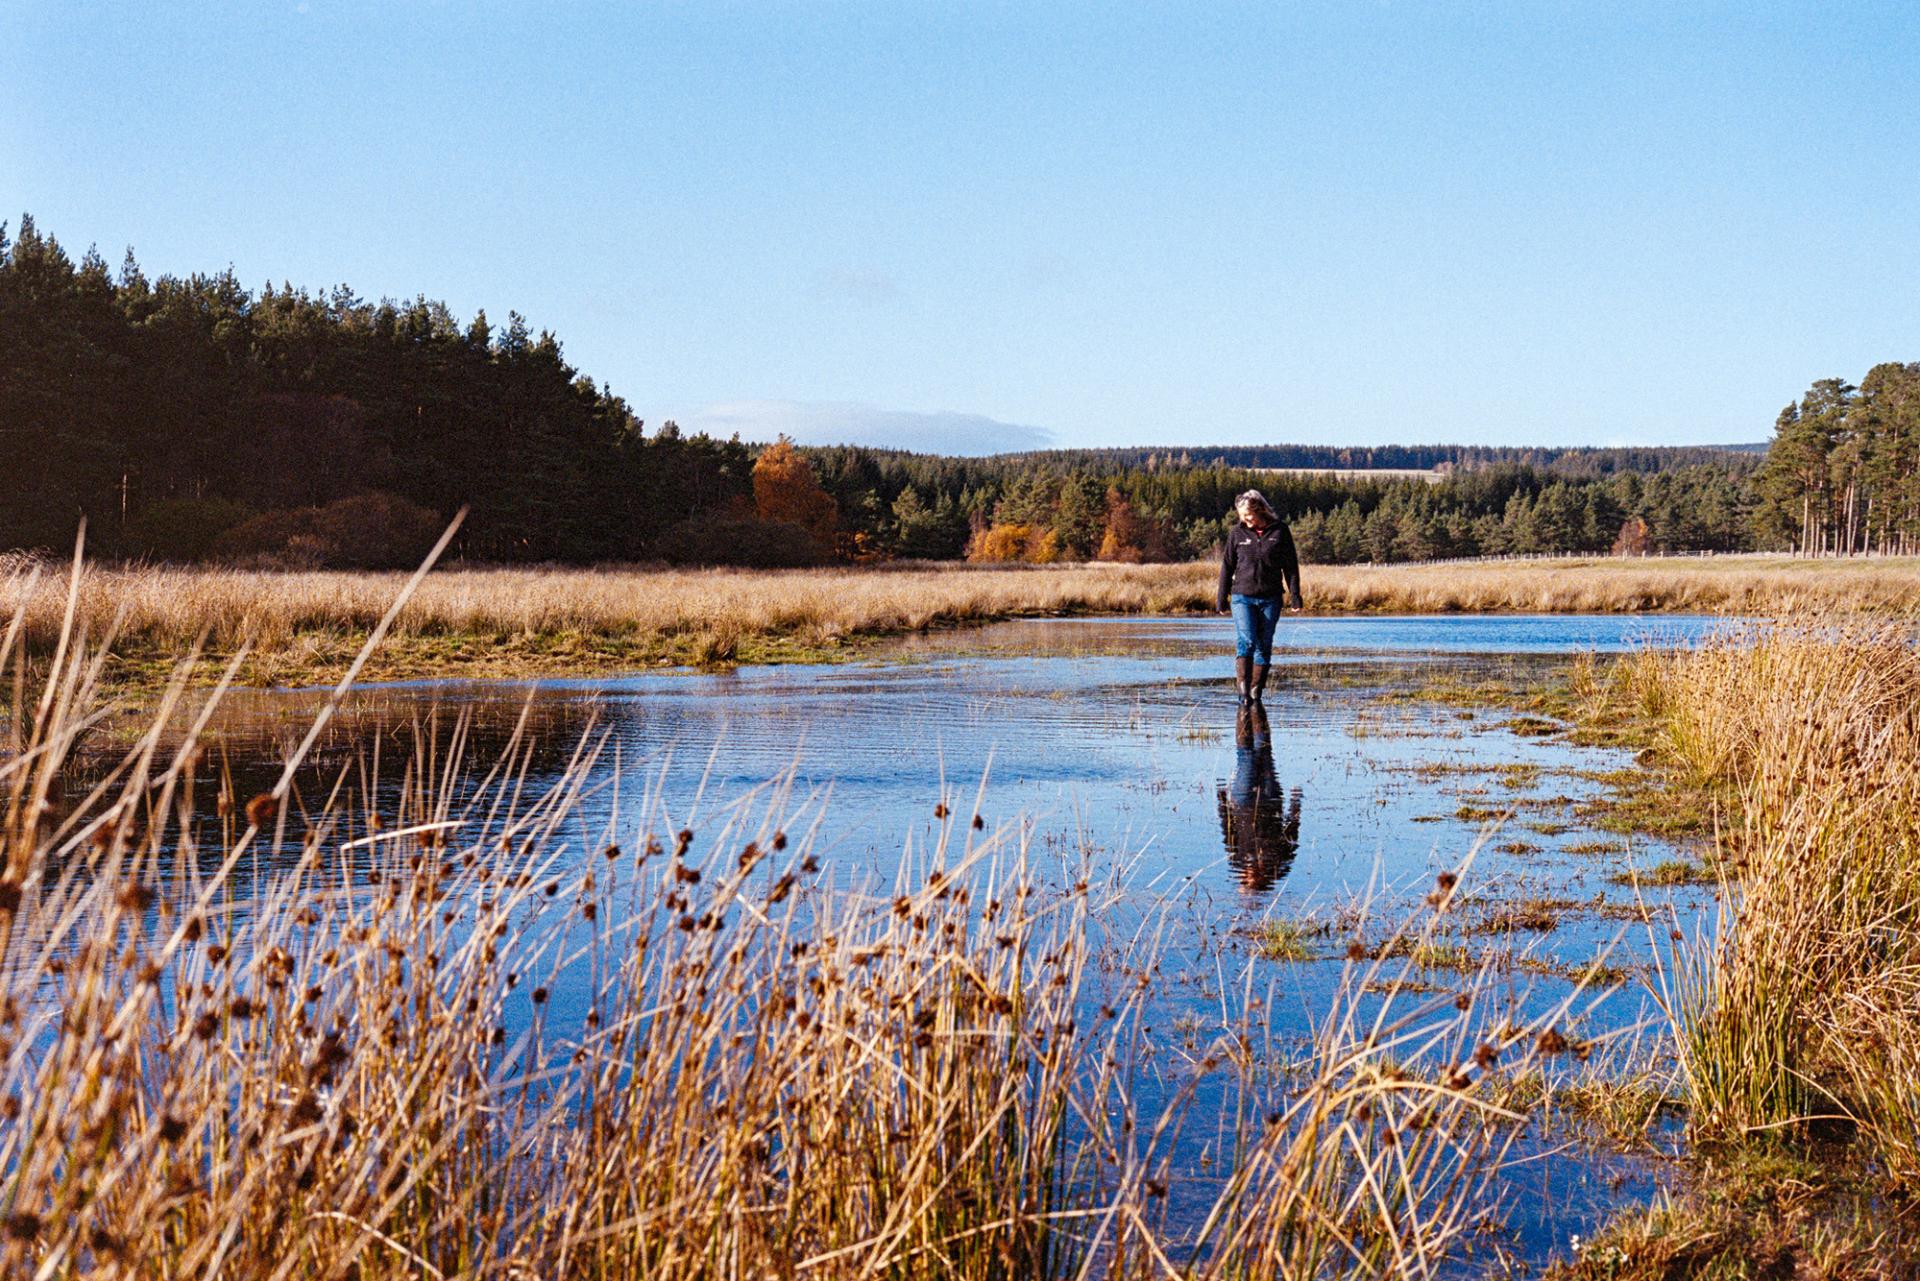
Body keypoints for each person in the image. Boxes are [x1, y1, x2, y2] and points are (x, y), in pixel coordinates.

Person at [1216, 489, 1302, 704]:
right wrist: (1221, 597)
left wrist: (1295, 596)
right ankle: (1243, 694)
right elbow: (1227, 566)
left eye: (1248, 515)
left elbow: (1290, 566)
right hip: (1241, 597)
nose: (1244, 519)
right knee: (1247, 641)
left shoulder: (1280, 531)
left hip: (1271, 598)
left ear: (1260, 509)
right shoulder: (1237, 533)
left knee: (1264, 644)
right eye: (1241, 516)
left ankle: (1256, 694)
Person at [1216, 704, 1304, 893]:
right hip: (1271, 799)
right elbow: (1291, 834)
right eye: (1246, 882)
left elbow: (1229, 831)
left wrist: (1222, 803)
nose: (1243, 877)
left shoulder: (1237, 862)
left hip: (1242, 801)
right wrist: (1295, 804)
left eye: (1242, 881)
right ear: (1257, 882)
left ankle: (1244, 705)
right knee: (1264, 752)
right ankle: (1254, 703)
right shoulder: (1279, 866)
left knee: (1246, 756)